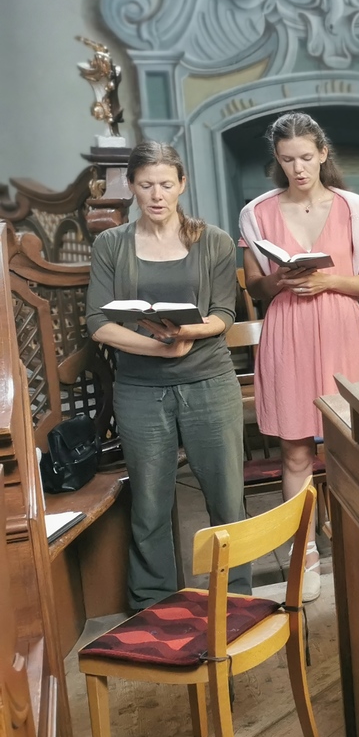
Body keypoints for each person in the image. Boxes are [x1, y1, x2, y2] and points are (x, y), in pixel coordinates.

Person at [86, 142, 248, 610]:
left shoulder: (214, 241)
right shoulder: (111, 244)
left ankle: (237, 601)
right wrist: (159, 346)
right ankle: (152, 605)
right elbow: (98, 322)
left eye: (165, 184)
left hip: (209, 382)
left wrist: (186, 334)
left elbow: (224, 313)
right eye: (145, 185)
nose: (156, 195)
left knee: (227, 500)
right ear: (131, 187)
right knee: (150, 504)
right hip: (140, 389)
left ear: (182, 185)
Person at [239, 112, 359, 599]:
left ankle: (358, 545)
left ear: (323, 153)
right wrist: (276, 280)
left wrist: (329, 280)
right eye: (287, 160)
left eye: (306, 157)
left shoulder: (353, 207)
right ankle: (305, 556)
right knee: (296, 450)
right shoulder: (257, 212)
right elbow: (256, 286)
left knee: (350, 447)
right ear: (276, 160)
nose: (298, 168)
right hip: (288, 331)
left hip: (340, 329)